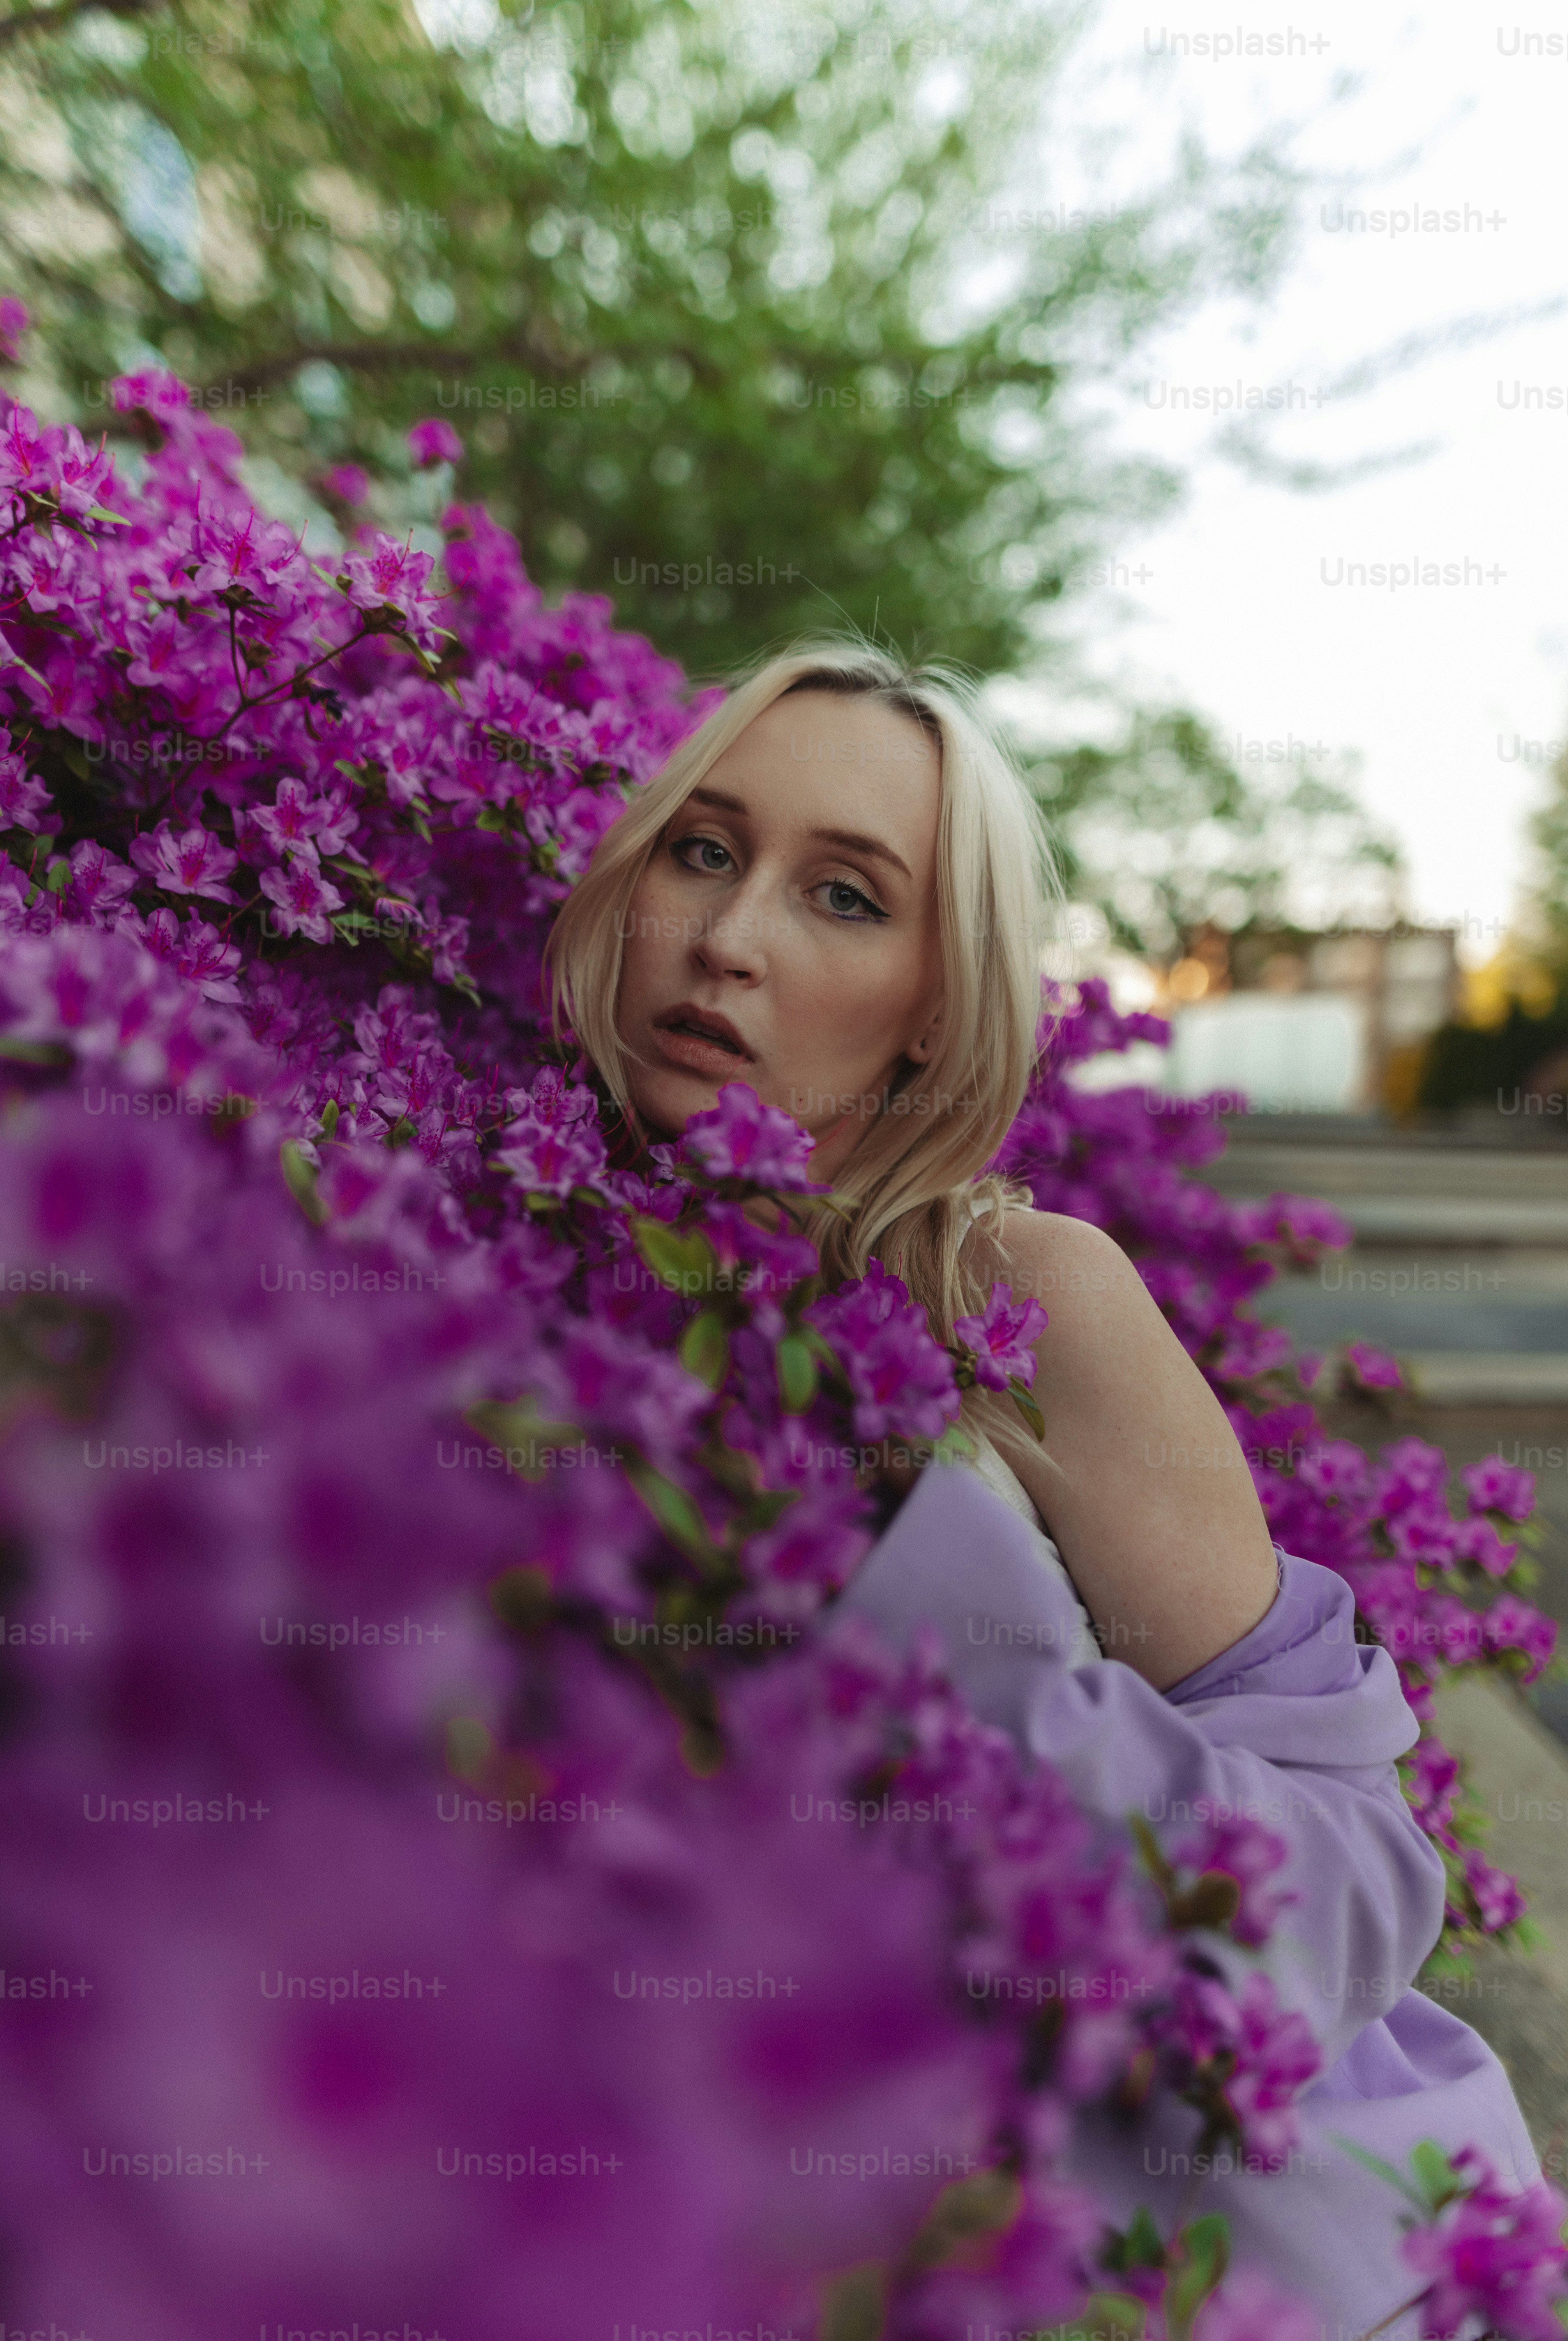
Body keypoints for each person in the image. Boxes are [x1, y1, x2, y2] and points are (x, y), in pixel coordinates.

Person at [544, 640, 1543, 2332]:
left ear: (937, 1009)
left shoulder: (1016, 1296)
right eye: (702, 851)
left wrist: (885, 1593)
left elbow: (1355, 1898)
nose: (727, 938)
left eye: (845, 897)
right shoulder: (506, 1255)